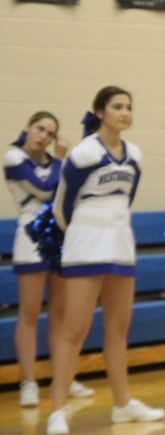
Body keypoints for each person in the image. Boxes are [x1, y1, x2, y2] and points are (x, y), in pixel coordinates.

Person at [46, 86, 165, 434]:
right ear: (100, 112)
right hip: (85, 240)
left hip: (120, 240)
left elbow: (126, 198)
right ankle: (57, 409)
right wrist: (79, 235)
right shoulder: (83, 153)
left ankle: (123, 404)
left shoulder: (136, 155)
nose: (124, 112)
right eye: (117, 106)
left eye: (129, 106)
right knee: (74, 329)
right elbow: (62, 206)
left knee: (118, 328)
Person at [4, 113, 95, 407]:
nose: (43, 136)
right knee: (29, 313)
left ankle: (63, 377)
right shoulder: (13, 157)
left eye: (50, 133)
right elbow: (44, 190)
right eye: (39, 129)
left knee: (60, 314)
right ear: (27, 128)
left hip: (59, 237)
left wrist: (61, 163)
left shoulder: (54, 164)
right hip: (31, 237)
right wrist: (62, 160)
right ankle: (28, 382)